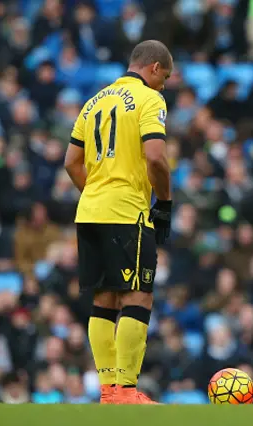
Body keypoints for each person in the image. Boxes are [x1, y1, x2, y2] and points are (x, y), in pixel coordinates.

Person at [64, 40, 173, 405]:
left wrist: (95, 193)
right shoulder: (149, 99)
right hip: (127, 210)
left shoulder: (94, 100)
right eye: (166, 77)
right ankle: (127, 389)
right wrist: (166, 203)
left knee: (104, 300)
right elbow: (155, 158)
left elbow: (71, 162)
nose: (165, 85)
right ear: (155, 67)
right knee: (138, 295)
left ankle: (109, 391)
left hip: (90, 209)